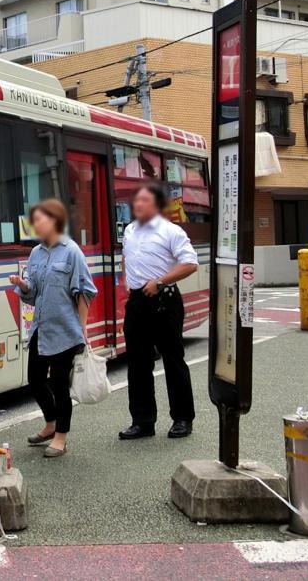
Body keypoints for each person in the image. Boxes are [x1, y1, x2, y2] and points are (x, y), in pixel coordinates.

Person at [10, 198, 97, 458]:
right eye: (33, 220)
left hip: (66, 331)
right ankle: (50, 423)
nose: (35, 225)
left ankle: (61, 436)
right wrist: (23, 286)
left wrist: (81, 328)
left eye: (40, 220)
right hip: (41, 327)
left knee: (59, 383)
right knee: (35, 380)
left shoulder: (72, 251)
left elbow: (85, 291)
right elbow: (33, 292)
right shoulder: (36, 253)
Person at [119, 183, 199, 441]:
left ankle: (182, 418)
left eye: (143, 201)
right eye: (136, 201)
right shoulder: (129, 230)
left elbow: (190, 263)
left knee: (173, 360)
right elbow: (125, 257)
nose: (137, 205)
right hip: (137, 301)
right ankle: (142, 421)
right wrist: (127, 281)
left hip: (164, 300)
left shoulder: (171, 231)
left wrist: (161, 281)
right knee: (137, 363)